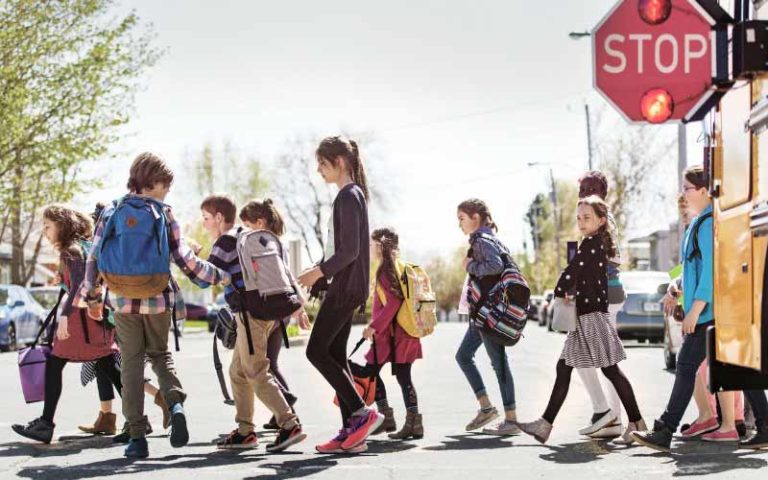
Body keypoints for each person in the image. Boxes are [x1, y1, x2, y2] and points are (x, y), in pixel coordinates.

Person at [76, 152, 230, 458]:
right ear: (155, 181)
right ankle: (175, 404)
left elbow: (93, 256)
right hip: (157, 297)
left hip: (122, 299)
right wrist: (219, 276)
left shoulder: (111, 211)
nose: (168, 190)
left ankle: (137, 437)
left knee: (131, 364)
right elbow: (186, 261)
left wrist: (90, 296)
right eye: (166, 184)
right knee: (160, 355)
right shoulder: (165, 213)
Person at [519, 196, 646, 444]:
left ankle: (637, 422)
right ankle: (545, 425)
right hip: (587, 315)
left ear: (600, 220)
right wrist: (573, 291)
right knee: (566, 368)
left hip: (591, 318)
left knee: (610, 370)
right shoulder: (597, 244)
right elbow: (588, 278)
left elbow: (573, 270)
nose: (581, 222)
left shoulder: (590, 243)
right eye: (579, 218)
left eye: (587, 217)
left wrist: (560, 290)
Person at [632, 165, 737, 452]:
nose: (683, 193)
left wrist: (694, 310)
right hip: (704, 310)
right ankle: (763, 424)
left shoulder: (707, 224)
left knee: (687, 366)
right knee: (730, 367)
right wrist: (675, 288)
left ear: (704, 191)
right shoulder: (698, 224)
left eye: (687, 188)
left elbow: (711, 273)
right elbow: (692, 269)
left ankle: (665, 430)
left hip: (707, 312)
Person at [299, 136, 383, 454]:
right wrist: (322, 275)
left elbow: (349, 251)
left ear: (341, 162)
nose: (319, 170)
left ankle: (361, 413)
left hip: (347, 287)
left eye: (323, 163)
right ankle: (354, 434)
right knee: (334, 355)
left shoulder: (349, 196)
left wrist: (318, 272)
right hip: (346, 285)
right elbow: (344, 249)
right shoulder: (351, 195)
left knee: (316, 351)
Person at [204, 195, 308, 452]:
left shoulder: (226, 241)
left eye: (206, 219)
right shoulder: (253, 238)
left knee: (255, 371)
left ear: (218, 219)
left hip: (251, 315)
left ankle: (289, 424)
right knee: (238, 372)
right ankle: (245, 431)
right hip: (267, 312)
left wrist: (183, 256)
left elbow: (203, 278)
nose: (204, 224)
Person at [13, 206, 121, 444]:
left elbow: (78, 285)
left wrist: (64, 316)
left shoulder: (70, 250)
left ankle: (45, 424)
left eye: (48, 226)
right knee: (107, 365)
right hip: (95, 318)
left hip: (79, 321)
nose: (45, 232)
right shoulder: (84, 246)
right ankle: (138, 419)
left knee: (54, 364)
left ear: (62, 225)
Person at [455, 199, 520, 436]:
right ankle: (486, 408)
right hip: (482, 313)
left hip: (489, 313)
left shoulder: (482, 241)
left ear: (475, 217)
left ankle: (511, 420)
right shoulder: (489, 239)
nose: (459, 224)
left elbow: (494, 266)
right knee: (463, 356)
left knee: (499, 362)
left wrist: (470, 265)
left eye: (462, 218)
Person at [574, 172, 626, 438]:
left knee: (592, 358)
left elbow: (613, 259)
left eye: (589, 188)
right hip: (603, 296)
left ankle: (607, 414)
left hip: (603, 297)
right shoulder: (594, 216)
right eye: (583, 188)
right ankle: (611, 417)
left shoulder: (601, 220)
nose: (584, 192)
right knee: (605, 360)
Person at [361, 227, 424, 440]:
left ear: (379, 245)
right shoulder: (396, 266)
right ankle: (410, 422)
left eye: (371, 244)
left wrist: (373, 326)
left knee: (371, 372)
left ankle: (389, 417)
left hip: (392, 334)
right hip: (403, 332)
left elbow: (393, 302)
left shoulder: (385, 269)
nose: (369, 248)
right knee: (403, 376)